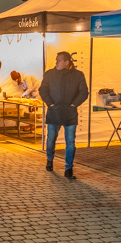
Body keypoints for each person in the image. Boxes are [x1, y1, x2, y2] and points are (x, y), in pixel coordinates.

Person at [39, 51, 89, 180]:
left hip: (69, 113)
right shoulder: (50, 74)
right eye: (56, 60)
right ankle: (50, 160)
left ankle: (68, 168)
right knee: (50, 140)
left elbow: (84, 92)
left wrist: (74, 105)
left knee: (70, 142)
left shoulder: (78, 75)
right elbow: (42, 89)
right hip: (54, 112)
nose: (56, 63)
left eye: (59, 60)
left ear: (67, 62)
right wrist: (50, 104)